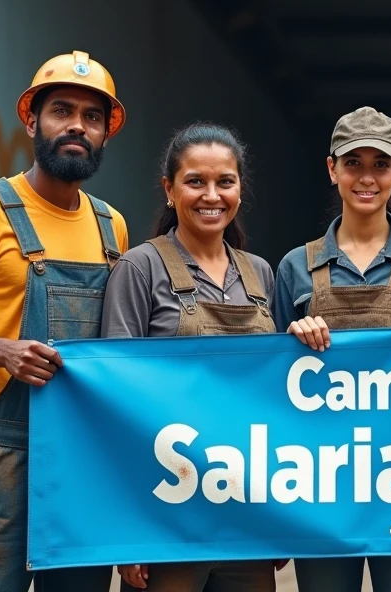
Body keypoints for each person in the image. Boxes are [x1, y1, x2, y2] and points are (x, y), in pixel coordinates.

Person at [0, 50, 128, 591]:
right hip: (4, 451)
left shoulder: (113, 228)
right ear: (32, 119)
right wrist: (0, 351)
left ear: (107, 132)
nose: (77, 126)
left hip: (86, 454)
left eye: (92, 116)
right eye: (62, 110)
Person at [274, 106, 391, 591]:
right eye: (352, 162)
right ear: (331, 169)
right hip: (320, 485)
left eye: (380, 164)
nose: (366, 177)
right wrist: (292, 345)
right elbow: (269, 390)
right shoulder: (296, 267)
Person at [101, 123, 280, 591]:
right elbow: (117, 402)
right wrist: (129, 529)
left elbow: (277, 403)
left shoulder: (260, 273)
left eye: (225, 181)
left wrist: (283, 517)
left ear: (240, 189)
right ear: (169, 188)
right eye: (195, 181)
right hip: (166, 508)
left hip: (246, 509)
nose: (211, 195)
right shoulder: (139, 267)